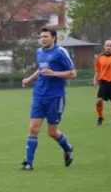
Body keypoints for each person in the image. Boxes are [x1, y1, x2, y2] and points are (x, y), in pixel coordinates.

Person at [20, 27, 76, 171]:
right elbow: (40, 69)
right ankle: (28, 163)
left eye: (45, 36)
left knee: (52, 132)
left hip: (55, 97)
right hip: (39, 95)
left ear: (53, 38)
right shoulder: (39, 52)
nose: (42, 39)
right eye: (41, 37)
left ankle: (68, 148)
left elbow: (73, 74)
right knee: (33, 128)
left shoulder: (60, 52)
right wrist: (29, 79)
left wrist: (54, 73)